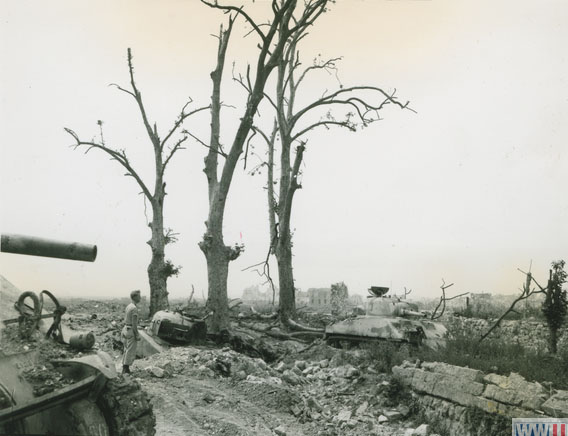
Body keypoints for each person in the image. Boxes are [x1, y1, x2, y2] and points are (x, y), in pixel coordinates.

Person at [121, 289, 141, 374]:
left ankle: (124, 368)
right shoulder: (134, 308)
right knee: (130, 350)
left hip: (125, 329)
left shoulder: (129, 306)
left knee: (126, 349)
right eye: (139, 296)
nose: (140, 298)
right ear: (135, 297)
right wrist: (137, 334)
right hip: (131, 330)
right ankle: (126, 369)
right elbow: (134, 324)